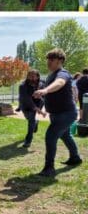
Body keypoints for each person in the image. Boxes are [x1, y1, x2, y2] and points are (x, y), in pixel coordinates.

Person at [33, 48, 82, 177]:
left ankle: (49, 168)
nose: (48, 62)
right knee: (65, 136)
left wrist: (45, 90)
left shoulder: (63, 73)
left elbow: (59, 83)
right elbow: (51, 93)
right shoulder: (50, 75)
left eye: (52, 60)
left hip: (66, 113)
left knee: (51, 136)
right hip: (56, 114)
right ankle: (75, 157)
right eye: (48, 59)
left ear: (60, 61)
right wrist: (42, 97)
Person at [18, 69, 45, 148]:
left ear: (37, 77)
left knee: (31, 120)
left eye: (34, 76)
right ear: (27, 77)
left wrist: (42, 98)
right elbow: (27, 99)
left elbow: (45, 93)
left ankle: (28, 141)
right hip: (26, 104)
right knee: (29, 118)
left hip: (38, 103)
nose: (32, 78)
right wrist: (36, 108)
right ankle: (36, 123)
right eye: (30, 76)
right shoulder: (22, 86)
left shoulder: (42, 83)